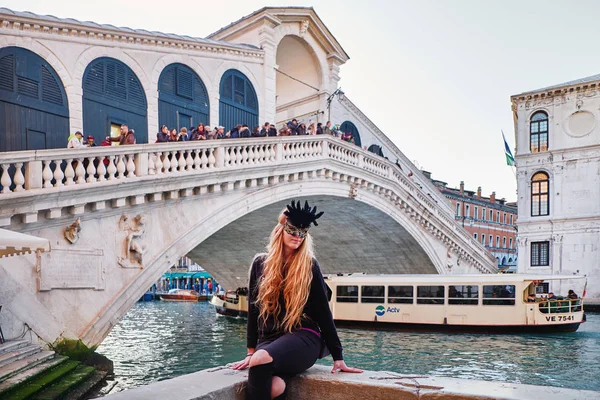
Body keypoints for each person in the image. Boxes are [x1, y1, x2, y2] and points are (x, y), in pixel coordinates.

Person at [231, 200, 362, 399]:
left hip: (305, 336)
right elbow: (254, 310)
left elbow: (323, 312)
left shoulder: (309, 265)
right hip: (270, 339)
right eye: (293, 231)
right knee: (274, 387)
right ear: (281, 230)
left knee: (261, 359)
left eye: (303, 233)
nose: (297, 237)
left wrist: (338, 357)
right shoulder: (260, 263)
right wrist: (250, 350)